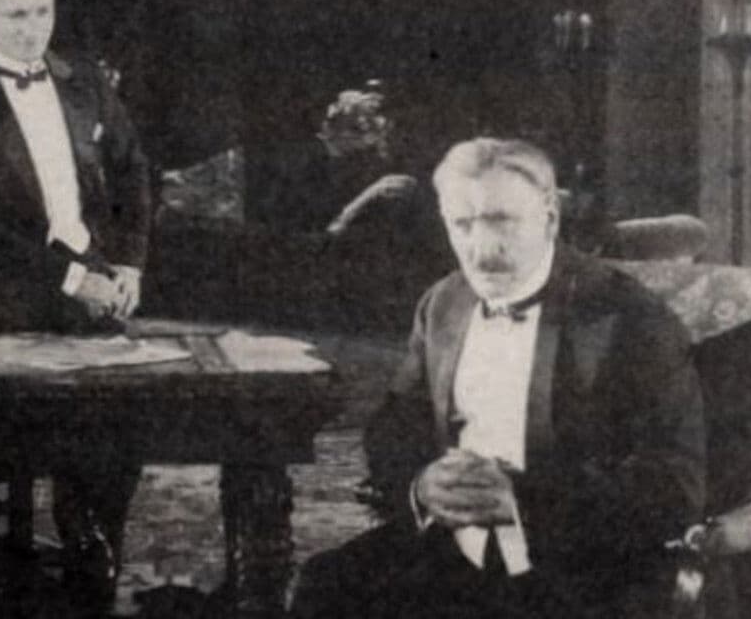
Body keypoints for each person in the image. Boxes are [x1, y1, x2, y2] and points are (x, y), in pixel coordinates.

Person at [290, 137, 705, 619]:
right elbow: (394, 429)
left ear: (549, 217)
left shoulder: (629, 318)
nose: (482, 250)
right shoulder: (443, 304)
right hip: (458, 547)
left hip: (579, 562)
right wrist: (422, 485)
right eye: (462, 225)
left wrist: (524, 500)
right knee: (325, 585)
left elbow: (676, 485)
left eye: (502, 220)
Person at [0, 0, 151, 611]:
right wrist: (76, 280)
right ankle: (58, 561)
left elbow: (133, 171)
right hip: (1, 291)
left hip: (93, 277)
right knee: (67, 415)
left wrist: (128, 264)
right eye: (16, 15)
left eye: (42, 13)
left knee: (127, 410)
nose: (31, 30)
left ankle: (92, 556)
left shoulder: (85, 83)